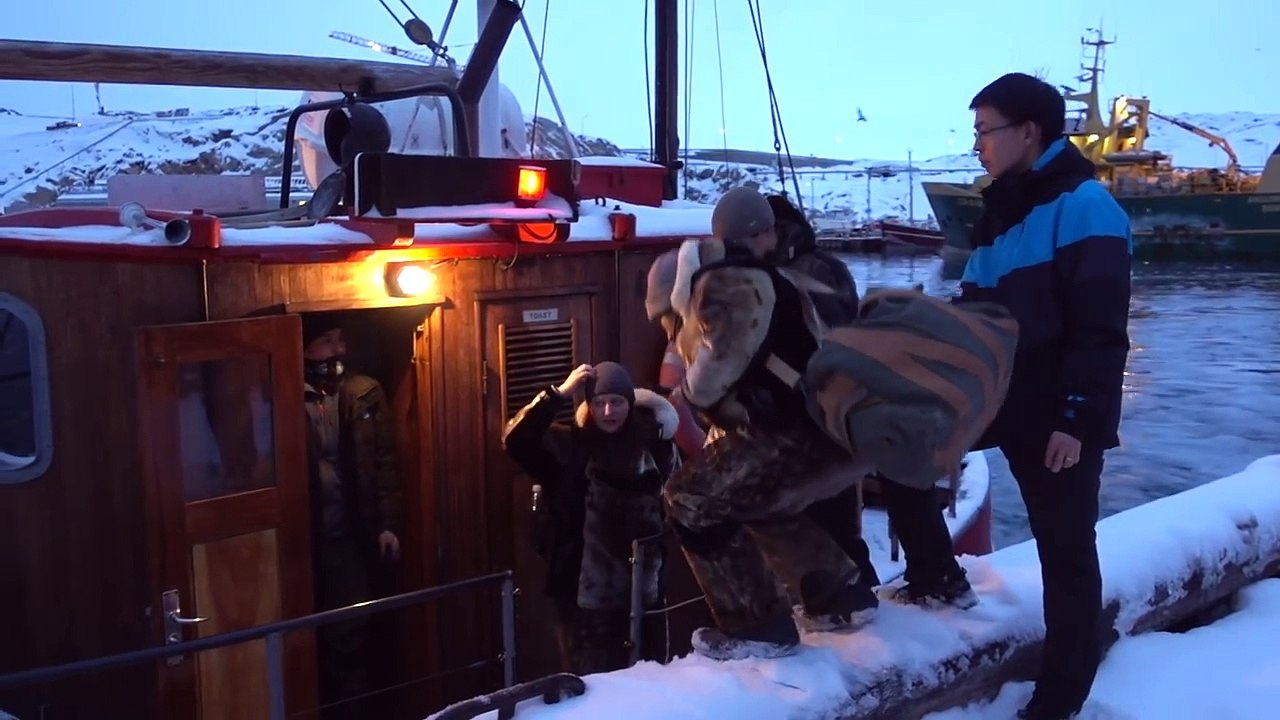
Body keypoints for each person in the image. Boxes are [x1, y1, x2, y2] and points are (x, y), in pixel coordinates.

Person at [957, 72, 1132, 720]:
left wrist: (1077, 421)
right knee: (898, 458)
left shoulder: (1087, 208)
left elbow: (1100, 332)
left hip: (1058, 415)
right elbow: (972, 319)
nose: (977, 146)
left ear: (1028, 131)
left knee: (1065, 552)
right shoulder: (998, 215)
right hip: (1003, 401)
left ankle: (1060, 697)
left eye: (985, 131)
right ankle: (934, 578)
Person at [502, 361, 680, 674]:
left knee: (650, 689)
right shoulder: (570, 447)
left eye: (617, 402)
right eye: (599, 403)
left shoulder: (656, 449)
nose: (608, 411)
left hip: (644, 596)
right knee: (593, 690)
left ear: (630, 402)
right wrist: (558, 394)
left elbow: (676, 503)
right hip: (581, 600)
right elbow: (516, 440)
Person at [300, 312, 405, 718]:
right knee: (304, 640)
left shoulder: (364, 393)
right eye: (327, 341)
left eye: (340, 340)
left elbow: (384, 463)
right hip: (302, 540)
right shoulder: (278, 390)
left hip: (349, 535)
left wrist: (388, 524)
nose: (338, 350)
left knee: (351, 635)